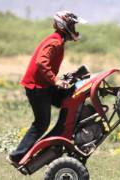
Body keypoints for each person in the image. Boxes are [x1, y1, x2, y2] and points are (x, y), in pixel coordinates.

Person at [7, 11, 87, 165]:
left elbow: (46, 65)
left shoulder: (58, 40)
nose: (74, 28)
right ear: (64, 26)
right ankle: (16, 156)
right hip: (37, 87)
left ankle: (65, 131)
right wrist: (55, 80)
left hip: (44, 86)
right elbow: (41, 62)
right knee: (42, 123)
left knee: (69, 97)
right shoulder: (55, 41)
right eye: (72, 25)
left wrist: (64, 78)